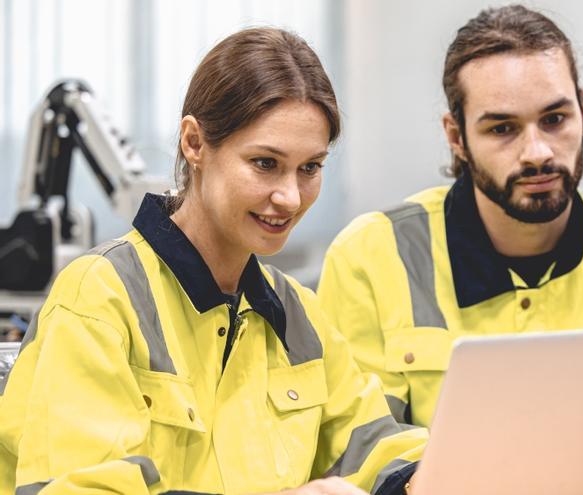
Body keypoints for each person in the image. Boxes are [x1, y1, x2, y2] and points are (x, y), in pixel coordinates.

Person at [0, 28, 425, 495]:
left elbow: (373, 443)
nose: (289, 197)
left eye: (310, 167)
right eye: (265, 163)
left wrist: (426, 474)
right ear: (194, 143)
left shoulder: (298, 314)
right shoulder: (98, 300)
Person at [317, 5, 583, 428]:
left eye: (554, 119)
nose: (537, 152)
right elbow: (355, 440)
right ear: (457, 137)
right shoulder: (369, 256)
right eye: (502, 129)